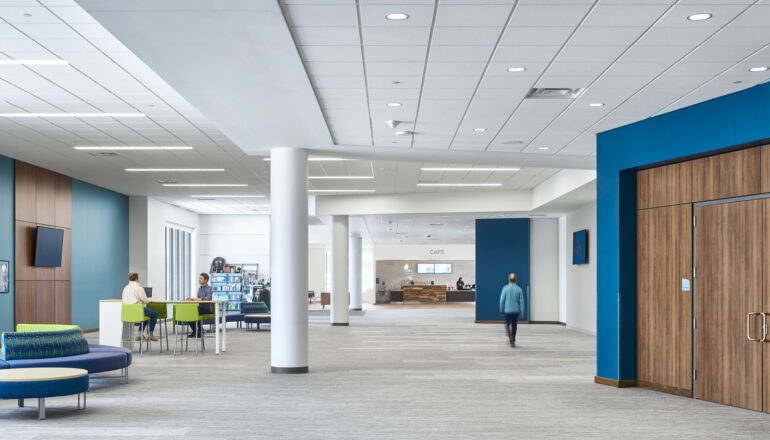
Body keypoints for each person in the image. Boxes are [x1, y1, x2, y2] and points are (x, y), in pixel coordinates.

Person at [122, 272, 158, 341]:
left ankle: (139, 334)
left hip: (126, 313)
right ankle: (150, 334)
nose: (140, 279)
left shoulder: (126, 287)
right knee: (154, 314)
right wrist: (150, 299)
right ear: (136, 279)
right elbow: (145, 300)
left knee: (145, 315)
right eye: (139, 278)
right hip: (137, 311)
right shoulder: (139, 288)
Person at [499, 273, 523, 348]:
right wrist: (522, 311)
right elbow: (521, 302)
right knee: (514, 325)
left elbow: (502, 300)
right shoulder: (519, 289)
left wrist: (501, 309)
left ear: (509, 279)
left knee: (507, 324)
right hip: (516, 311)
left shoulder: (505, 288)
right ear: (516, 280)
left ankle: (510, 338)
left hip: (507, 310)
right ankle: (513, 338)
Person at [186, 273, 213, 337]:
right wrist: (192, 299)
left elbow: (208, 298)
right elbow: (198, 300)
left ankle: (200, 331)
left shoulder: (209, 288)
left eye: (201, 278)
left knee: (196, 312)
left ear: (205, 280)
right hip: (200, 307)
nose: (199, 280)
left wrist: (197, 299)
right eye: (199, 278)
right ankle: (195, 330)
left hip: (207, 308)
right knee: (187, 313)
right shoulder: (200, 288)